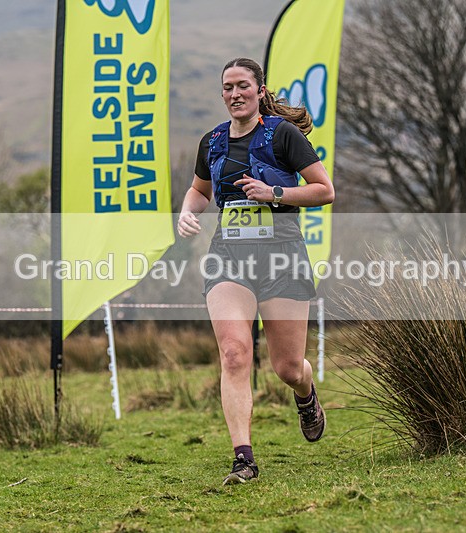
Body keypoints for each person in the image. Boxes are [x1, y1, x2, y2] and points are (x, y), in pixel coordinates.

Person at [177, 58, 334, 485]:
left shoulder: (282, 135)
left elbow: (324, 189)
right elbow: (198, 191)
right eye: (227, 87)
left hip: (282, 258)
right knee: (233, 353)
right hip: (229, 257)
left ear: (260, 90)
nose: (234, 93)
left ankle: (306, 393)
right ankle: (243, 459)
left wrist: (275, 191)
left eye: (243, 85)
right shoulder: (211, 142)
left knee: (287, 367)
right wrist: (187, 214)